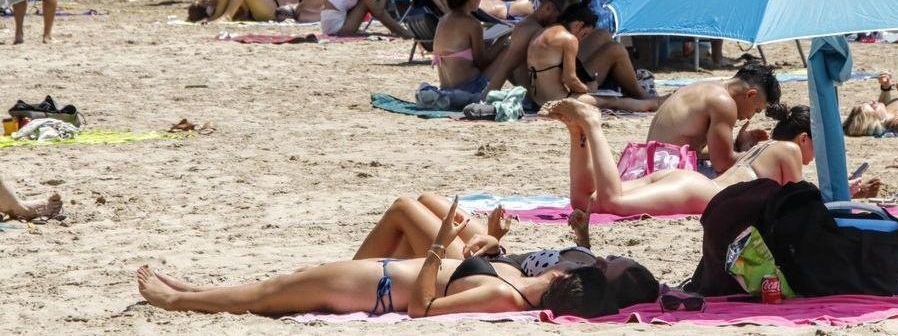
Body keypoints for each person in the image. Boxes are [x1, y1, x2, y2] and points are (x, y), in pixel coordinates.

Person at [137, 197, 620, 318]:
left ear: (561, 283)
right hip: (380, 278)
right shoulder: (512, 286)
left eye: (568, 270)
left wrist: (433, 250)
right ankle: (192, 291)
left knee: (270, 295)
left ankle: (177, 301)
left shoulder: (503, 296)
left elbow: (423, 308)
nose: (563, 263)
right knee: (287, 282)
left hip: (380, 288)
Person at [542, 99, 879, 217]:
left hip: (689, 181)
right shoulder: (789, 150)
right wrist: (847, 194)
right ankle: (591, 125)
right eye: (816, 147)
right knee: (612, 201)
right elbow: (799, 207)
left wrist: (846, 189)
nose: (814, 155)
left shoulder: (762, 148)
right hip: (700, 193)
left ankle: (578, 135)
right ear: (803, 138)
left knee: (584, 202)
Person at [352, 192, 658, 311]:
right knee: (426, 202)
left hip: (485, 268)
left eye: (610, 265)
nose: (605, 259)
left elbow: (518, 277)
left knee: (405, 209)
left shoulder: (575, 276)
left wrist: (492, 241)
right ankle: (372, 273)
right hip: (500, 259)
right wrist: (583, 236)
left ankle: (353, 274)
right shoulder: (586, 268)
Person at [645, 63, 781, 174]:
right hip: (666, 173)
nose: (750, 117)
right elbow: (723, 164)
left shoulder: (706, 87)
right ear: (751, 94)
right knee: (753, 178)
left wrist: (738, 146)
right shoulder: (724, 102)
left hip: (647, 164)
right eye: (756, 110)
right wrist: (762, 153)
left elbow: (691, 149)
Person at [525, 1, 656, 112]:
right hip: (558, 101)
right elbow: (570, 79)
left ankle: (647, 98)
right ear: (579, 25)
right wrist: (588, 89)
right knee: (613, 101)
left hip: (538, 99)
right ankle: (654, 103)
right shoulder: (568, 39)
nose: (581, 40)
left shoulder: (542, 33)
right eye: (584, 34)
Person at [425, 0, 503, 106]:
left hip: (446, 89)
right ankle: (531, 95)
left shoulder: (443, 20)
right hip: (469, 90)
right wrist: (501, 40)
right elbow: (481, 63)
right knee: (508, 50)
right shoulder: (473, 24)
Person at [484, 0, 576, 92]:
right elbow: (506, 68)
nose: (560, 22)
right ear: (548, 8)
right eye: (560, 17)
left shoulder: (525, 24)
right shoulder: (532, 31)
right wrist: (486, 98)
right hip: (526, 95)